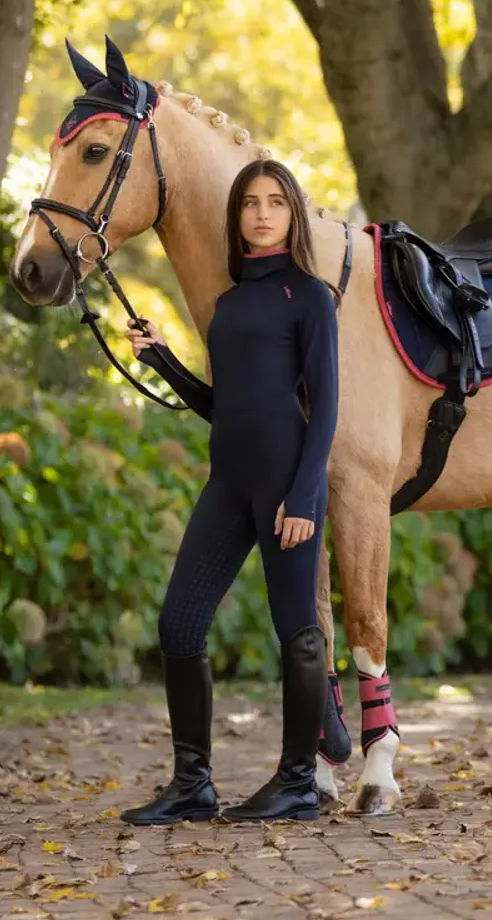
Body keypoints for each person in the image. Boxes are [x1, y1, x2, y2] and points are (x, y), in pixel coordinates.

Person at [119, 159, 339, 826]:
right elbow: (227, 406)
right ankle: (193, 785)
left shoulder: (311, 296)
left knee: (296, 629)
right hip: (229, 481)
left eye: (276, 202)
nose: (263, 213)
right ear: (236, 215)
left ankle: (299, 783)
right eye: (250, 203)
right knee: (179, 623)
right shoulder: (231, 303)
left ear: (293, 214)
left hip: (286, 486)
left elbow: (325, 406)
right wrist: (161, 359)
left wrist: (303, 497)